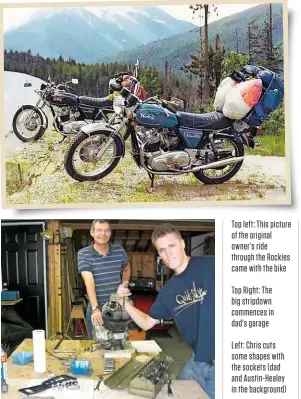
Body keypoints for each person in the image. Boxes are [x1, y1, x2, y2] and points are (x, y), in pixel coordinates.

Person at [116, 223, 215, 399]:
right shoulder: (169, 291)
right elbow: (146, 323)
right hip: (198, 360)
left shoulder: (213, 265)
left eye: (172, 246)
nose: (168, 253)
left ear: (182, 244)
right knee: (173, 391)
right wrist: (124, 303)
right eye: (162, 250)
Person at [77, 219, 131, 339]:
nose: (103, 233)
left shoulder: (119, 251)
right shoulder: (84, 254)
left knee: (119, 343)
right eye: (99, 230)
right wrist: (95, 308)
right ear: (92, 232)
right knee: (98, 345)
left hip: (118, 306)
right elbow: (89, 281)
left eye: (106, 230)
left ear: (110, 233)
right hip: (98, 307)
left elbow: (126, 268)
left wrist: (124, 285)